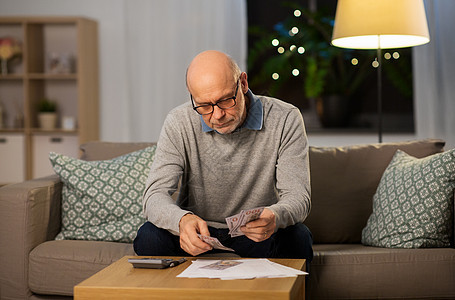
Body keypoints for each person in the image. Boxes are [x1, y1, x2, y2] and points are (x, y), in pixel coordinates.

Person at [134, 50, 313, 261]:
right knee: (148, 237)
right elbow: (154, 195)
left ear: (243, 84)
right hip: (199, 233)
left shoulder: (285, 118)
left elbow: (299, 197)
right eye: (204, 106)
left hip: (254, 235)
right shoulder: (179, 121)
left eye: (226, 100)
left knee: (297, 237)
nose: (217, 115)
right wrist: (181, 221)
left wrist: (274, 216)